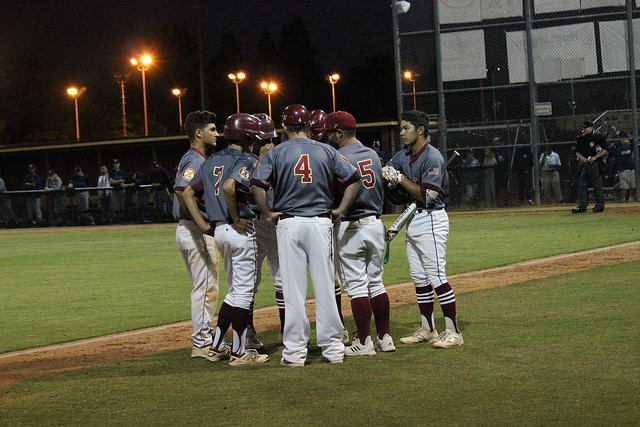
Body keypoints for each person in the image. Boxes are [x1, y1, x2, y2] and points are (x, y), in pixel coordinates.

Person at [251, 104, 361, 367]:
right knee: (325, 286)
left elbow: (257, 184)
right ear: (310, 127)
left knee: (293, 290)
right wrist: (341, 210)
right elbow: (354, 178)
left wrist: (267, 213)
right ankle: (333, 349)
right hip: (320, 222)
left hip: (289, 223)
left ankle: (295, 352)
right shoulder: (325, 149)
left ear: (284, 126)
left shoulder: (275, 152)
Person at [183, 112, 269, 366]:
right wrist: (235, 216)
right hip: (239, 229)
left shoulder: (211, 160)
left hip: (219, 231)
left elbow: (187, 192)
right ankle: (240, 353)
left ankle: (217, 346)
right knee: (243, 293)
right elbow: (231, 187)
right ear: (247, 135)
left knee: (234, 291)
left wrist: (202, 224)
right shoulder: (245, 158)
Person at [382, 109, 463, 349]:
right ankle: (428, 330)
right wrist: (388, 171)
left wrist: (400, 179)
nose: (402, 133)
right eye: (401, 128)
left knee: (437, 276)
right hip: (412, 219)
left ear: (420, 130)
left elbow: (428, 196)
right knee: (419, 279)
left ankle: (454, 332)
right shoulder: (404, 154)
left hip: (431, 219)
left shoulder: (432, 157)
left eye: (406, 128)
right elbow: (391, 166)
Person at [323, 111, 395, 356]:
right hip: (374, 224)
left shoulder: (337, 155)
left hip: (350, 224)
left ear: (339, 133)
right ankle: (385, 337)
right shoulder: (373, 155)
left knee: (356, 286)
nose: (329, 137)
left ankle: (364, 342)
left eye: (331, 133)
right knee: (376, 282)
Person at [172, 110, 221, 360]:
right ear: (198, 133)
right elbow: (182, 190)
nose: (217, 133)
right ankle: (202, 342)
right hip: (192, 230)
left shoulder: (194, 157)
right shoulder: (196, 160)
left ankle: (204, 337)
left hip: (188, 229)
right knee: (206, 287)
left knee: (205, 286)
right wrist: (202, 224)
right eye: (212, 129)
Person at [244, 112, 282, 348]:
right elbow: (248, 188)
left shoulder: (280, 158)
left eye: (271, 140)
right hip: (254, 224)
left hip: (278, 223)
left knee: (284, 279)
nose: (269, 145)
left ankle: (286, 330)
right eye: (263, 141)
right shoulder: (244, 161)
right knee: (250, 281)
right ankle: (247, 333)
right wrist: (262, 160)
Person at [572, 120, 608, 213]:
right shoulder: (580, 138)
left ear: (592, 128)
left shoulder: (598, 137)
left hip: (596, 163)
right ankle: (583, 206)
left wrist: (595, 157)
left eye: (586, 127)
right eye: (583, 128)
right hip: (585, 163)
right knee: (582, 184)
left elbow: (605, 150)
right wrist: (582, 158)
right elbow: (577, 151)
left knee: (597, 184)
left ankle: (599, 205)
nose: (584, 129)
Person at [494, 137, 511, 206]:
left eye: (498, 142)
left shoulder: (504, 150)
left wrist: (504, 159)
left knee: (504, 186)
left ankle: (505, 201)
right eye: (495, 143)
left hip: (503, 170)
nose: (497, 144)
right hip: (496, 171)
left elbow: (508, 159)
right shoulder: (493, 151)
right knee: (498, 187)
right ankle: (499, 202)